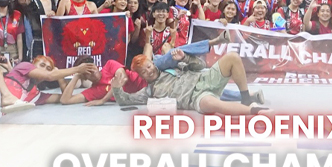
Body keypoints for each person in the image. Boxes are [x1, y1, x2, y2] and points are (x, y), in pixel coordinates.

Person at [114, 50, 270, 115]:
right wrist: (116, 88)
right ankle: (254, 111)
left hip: (205, 79)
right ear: (141, 76)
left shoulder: (171, 66)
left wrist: (185, 58)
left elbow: (201, 65)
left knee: (232, 57)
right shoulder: (149, 91)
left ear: (153, 63)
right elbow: (125, 100)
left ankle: (246, 97)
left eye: (148, 66)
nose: (148, 71)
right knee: (210, 103)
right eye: (143, 72)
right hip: (196, 99)